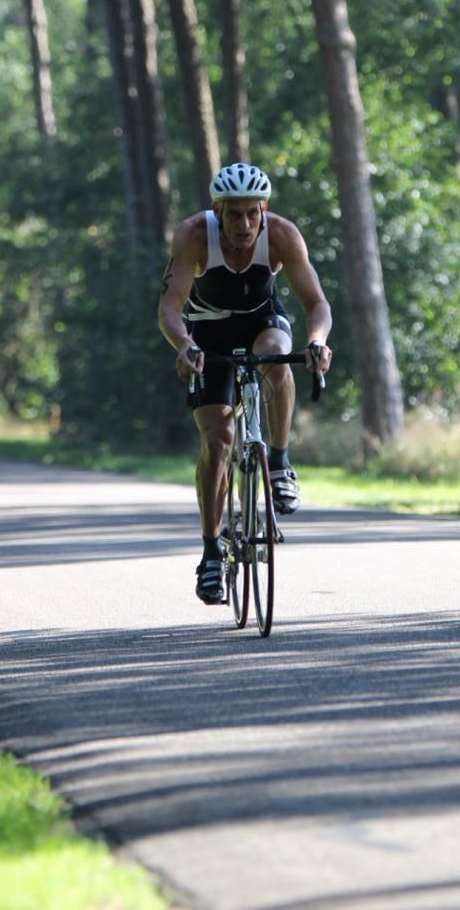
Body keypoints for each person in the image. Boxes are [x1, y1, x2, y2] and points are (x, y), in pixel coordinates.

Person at [158, 162, 333, 605]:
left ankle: (279, 462)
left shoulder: (283, 235)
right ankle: (211, 552)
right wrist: (184, 346)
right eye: (234, 214)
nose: (244, 224)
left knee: (276, 354)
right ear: (218, 212)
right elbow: (171, 308)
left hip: (262, 320)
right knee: (217, 440)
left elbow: (316, 303)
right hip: (207, 330)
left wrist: (317, 341)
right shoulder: (194, 235)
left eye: (252, 213)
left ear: (264, 210)